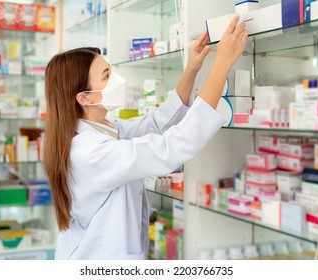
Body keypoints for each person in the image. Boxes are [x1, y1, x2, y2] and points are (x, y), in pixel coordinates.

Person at [43, 16, 248, 260]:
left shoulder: (102, 129)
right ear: (84, 98)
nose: (116, 80)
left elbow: (156, 123)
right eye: (107, 75)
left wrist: (192, 68)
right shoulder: (91, 151)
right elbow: (171, 148)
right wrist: (222, 63)